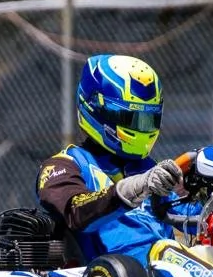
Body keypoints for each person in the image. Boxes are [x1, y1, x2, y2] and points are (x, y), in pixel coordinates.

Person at [37, 54, 185, 263]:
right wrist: (134, 188)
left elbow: (189, 217)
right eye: (130, 118)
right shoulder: (63, 165)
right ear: (96, 108)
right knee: (165, 255)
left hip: (166, 270)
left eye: (148, 119)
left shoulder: (146, 168)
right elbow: (75, 211)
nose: (140, 127)